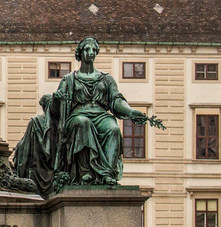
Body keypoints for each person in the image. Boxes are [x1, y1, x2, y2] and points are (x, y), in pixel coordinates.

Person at [50, 36, 154, 186]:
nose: (91, 52)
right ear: (80, 53)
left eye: (94, 50)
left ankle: (107, 173)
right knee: (83, 123)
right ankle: (85, 172)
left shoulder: (106, 79)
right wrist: (56, 99)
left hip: (101, 115)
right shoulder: (69, 79)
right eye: (87, 49)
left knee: (113, 129)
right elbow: (56, 111)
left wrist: (130, 111)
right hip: (78, 114)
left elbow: (116, 100)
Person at [13, 94, 54, 197]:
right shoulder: (60, 123)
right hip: (53, 166)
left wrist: (18, 149)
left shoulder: (35, 121)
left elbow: (26, 145)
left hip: (37, 165)